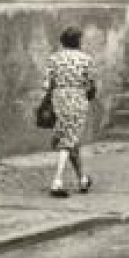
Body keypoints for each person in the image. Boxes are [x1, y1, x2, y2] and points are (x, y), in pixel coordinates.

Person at [44, 26, 97, 197]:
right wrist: (86, 94)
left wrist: (48, 101)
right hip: (77, 99)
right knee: (68, 140)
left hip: (58, 98)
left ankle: (82, 178)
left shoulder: (54, 59)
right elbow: (91, 85)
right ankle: (57, 181)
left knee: (70, 138)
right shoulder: (85, 59)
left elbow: (47, 85)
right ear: (78, 41)